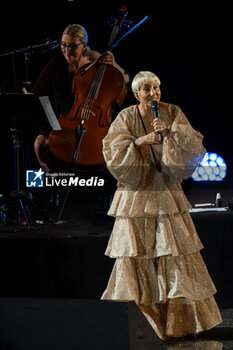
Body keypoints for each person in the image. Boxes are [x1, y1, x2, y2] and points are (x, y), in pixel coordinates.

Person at [101, 71, 222, 341]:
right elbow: (112, 151)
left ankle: (177, 324)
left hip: (166, 191)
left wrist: (170, 136)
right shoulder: (126, 117)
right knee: (138, 254)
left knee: (173, 252)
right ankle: (145, 324)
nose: (153, 93)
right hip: (137, 194)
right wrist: (140, 141)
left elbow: (191, 147)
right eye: (147, 89)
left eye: (156, 87)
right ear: (136, 94)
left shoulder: (172, 111)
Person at [32, 23, 129, 172]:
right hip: (61, 120)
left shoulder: (96, 61)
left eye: (72, 46)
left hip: (92, 122)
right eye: (63, 44)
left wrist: (114, 65)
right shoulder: (56, 64)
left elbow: (125, 80)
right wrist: (53, 122)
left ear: (84, 45)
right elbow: (38, 93)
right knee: (39, 144)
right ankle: (55, 179)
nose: (66, 49)